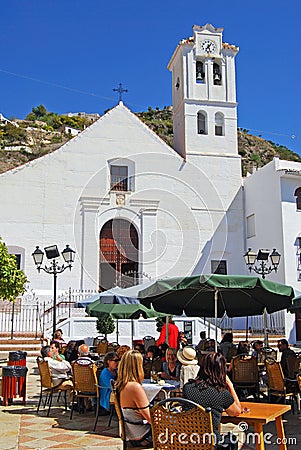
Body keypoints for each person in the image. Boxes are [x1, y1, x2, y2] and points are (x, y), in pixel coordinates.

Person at [183, 352, 241, 447]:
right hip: (211, 443)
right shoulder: (222, 394)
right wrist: (230, 385)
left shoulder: (187, 388)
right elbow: (236, 411)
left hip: (188, 441)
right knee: (236, 437)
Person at [115, 350, 152, 447]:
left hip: (130, 433)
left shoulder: (121, 385)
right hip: (142, 436)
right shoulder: (135, 387)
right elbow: (150, 418)